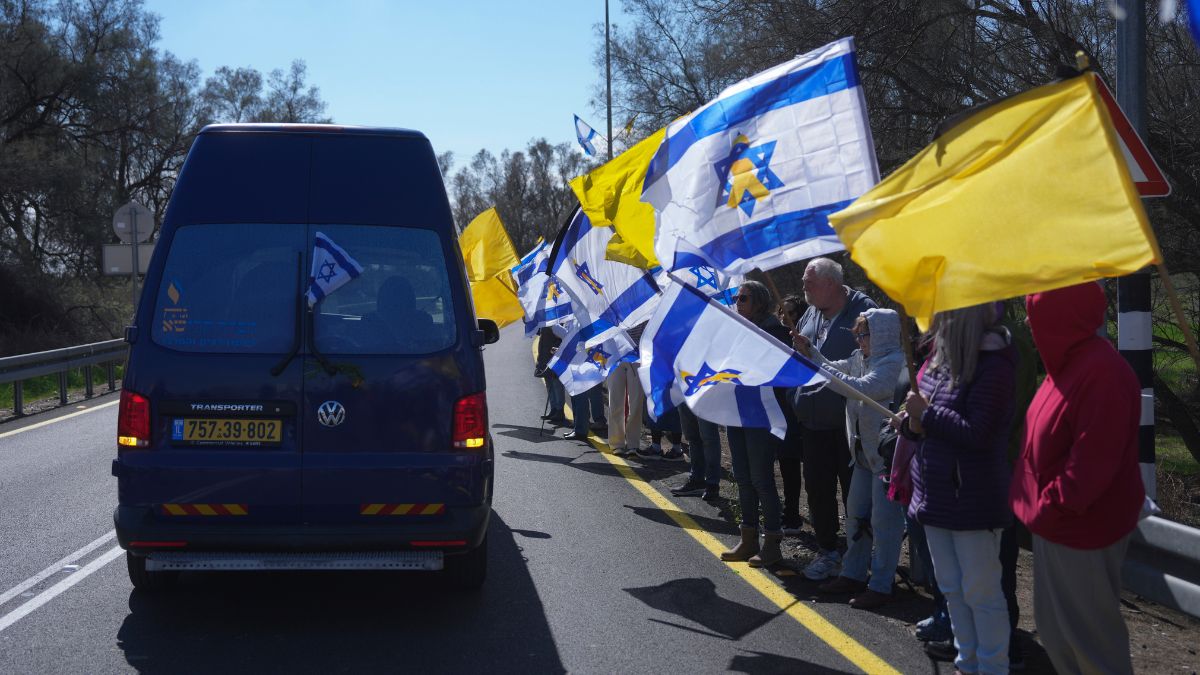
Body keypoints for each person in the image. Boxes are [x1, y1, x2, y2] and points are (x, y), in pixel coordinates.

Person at [1011, 283, 1142, 675]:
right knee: (1059, 638)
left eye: (1036, 313)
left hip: (1081, 529)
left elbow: (1091, 465)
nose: (1030, 324)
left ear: (1061, 316)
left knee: (1091, 648)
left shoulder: (1101, 373)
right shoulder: (1065, 366)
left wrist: (1049, 505)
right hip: (1055, 525)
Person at [899, 302, 1017, 675]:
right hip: (934, 496)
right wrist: (910, 424)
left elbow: (979, 433)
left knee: (982, 592)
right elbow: (920, 426)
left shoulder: (994, 365)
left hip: (972, 500)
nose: (934, 321)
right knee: (952, 588)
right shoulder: (939, 362)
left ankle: (993, 666)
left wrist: (926, 415)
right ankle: (967, 662)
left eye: (943, 313)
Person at [796, 309, 905, 611]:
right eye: (857, 334)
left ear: (882, 334)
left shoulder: (894, 363)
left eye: (864, 334)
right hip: (862, 456)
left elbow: (860, 388)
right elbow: (835, 368)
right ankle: (853, 574)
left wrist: (818, 363)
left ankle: (881, 585)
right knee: (856, 516)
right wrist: (810, 350)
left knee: (884, 525)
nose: (859, 340)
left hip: (885, 460)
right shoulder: (861, 357)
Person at [790, 257, 877, 580]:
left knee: (856, 495)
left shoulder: (864, 312)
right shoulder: (811, 311)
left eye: (809, 283)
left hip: (850, 425)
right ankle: (827, 551)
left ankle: (859, 559)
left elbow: (875, 364)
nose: (804, 288)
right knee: (817, 490)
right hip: (813, 422)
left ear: (830, 283)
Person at [720, 281, 791, 568]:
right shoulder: (738, 329)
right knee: (742, 476)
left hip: (761, 414)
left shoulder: (774, 332)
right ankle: (748, 538)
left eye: (744, 298)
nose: (738, 302)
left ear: (759, 301)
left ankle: (772, 542)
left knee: (761, 478)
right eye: (737, 298)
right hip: (737, 411)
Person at [776, 293, 808, 535]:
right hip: (782, 411)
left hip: (803, 413)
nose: (784, 317)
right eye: (781, 312)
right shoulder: (774, 338)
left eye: (790, 313)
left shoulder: (805, 340)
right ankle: (791, 514)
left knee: (809, 470)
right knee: (787, 465)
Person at [672, 405, 723, 501]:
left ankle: (712, 484)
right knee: (692, 437)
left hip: (706, 398)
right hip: (686, 397)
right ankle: (697, 480)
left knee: (709, 438)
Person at [606, 359, 645, 456]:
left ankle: (633, 444)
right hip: (615, 358)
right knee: (615, 402)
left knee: (636, 403)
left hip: (637, 358)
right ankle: (617, 443)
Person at [535, 327, 567, 427]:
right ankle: (553, 409)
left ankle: (559, 411)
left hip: (553, 358)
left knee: (557, 385)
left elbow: (563, 338)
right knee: (549, 385)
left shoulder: (555, 324)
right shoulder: (543, 325)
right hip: (544, 358)